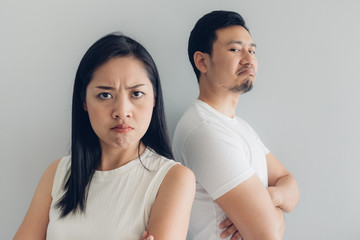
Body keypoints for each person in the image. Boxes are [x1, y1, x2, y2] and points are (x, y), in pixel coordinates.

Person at [14, 33, 195, 240]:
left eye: (136, 94)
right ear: (84, 102)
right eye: (105, 95)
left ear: (154, 98)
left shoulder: (172, 179)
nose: (122, 111)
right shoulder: (58, 173)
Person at [172, 10, 300, 240]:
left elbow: (290, 183)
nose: (249, 59)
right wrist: (274, 212)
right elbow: (267, 233)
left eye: (251, 50)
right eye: (235, 49)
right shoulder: (203, 130)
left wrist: (271, 198)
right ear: (202, 61)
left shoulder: (239, 126)